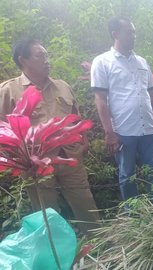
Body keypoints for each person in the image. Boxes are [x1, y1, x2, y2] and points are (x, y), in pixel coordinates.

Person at [0, 38, 99, 236]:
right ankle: (58, 257)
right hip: (37, 166)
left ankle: (101, 247)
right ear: (23, 60)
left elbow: (76, 118)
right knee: (47, 215)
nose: (47, 60)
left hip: (71, 158)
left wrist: (84, 143)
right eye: (40, 56)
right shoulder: (9, 91)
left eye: (47, 55)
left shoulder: (62, 86)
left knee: (86, 207)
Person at [91, 17, 153, 201]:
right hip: (124, 130)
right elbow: (100, 99)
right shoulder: (102, 62)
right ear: (115, 34)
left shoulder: (142, 62)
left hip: (148, 128)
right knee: (127, 175)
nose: (133, 36)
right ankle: (133, 217)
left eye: (134, 32)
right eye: (129, 32)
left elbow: (152, 95)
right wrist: (109, 132)